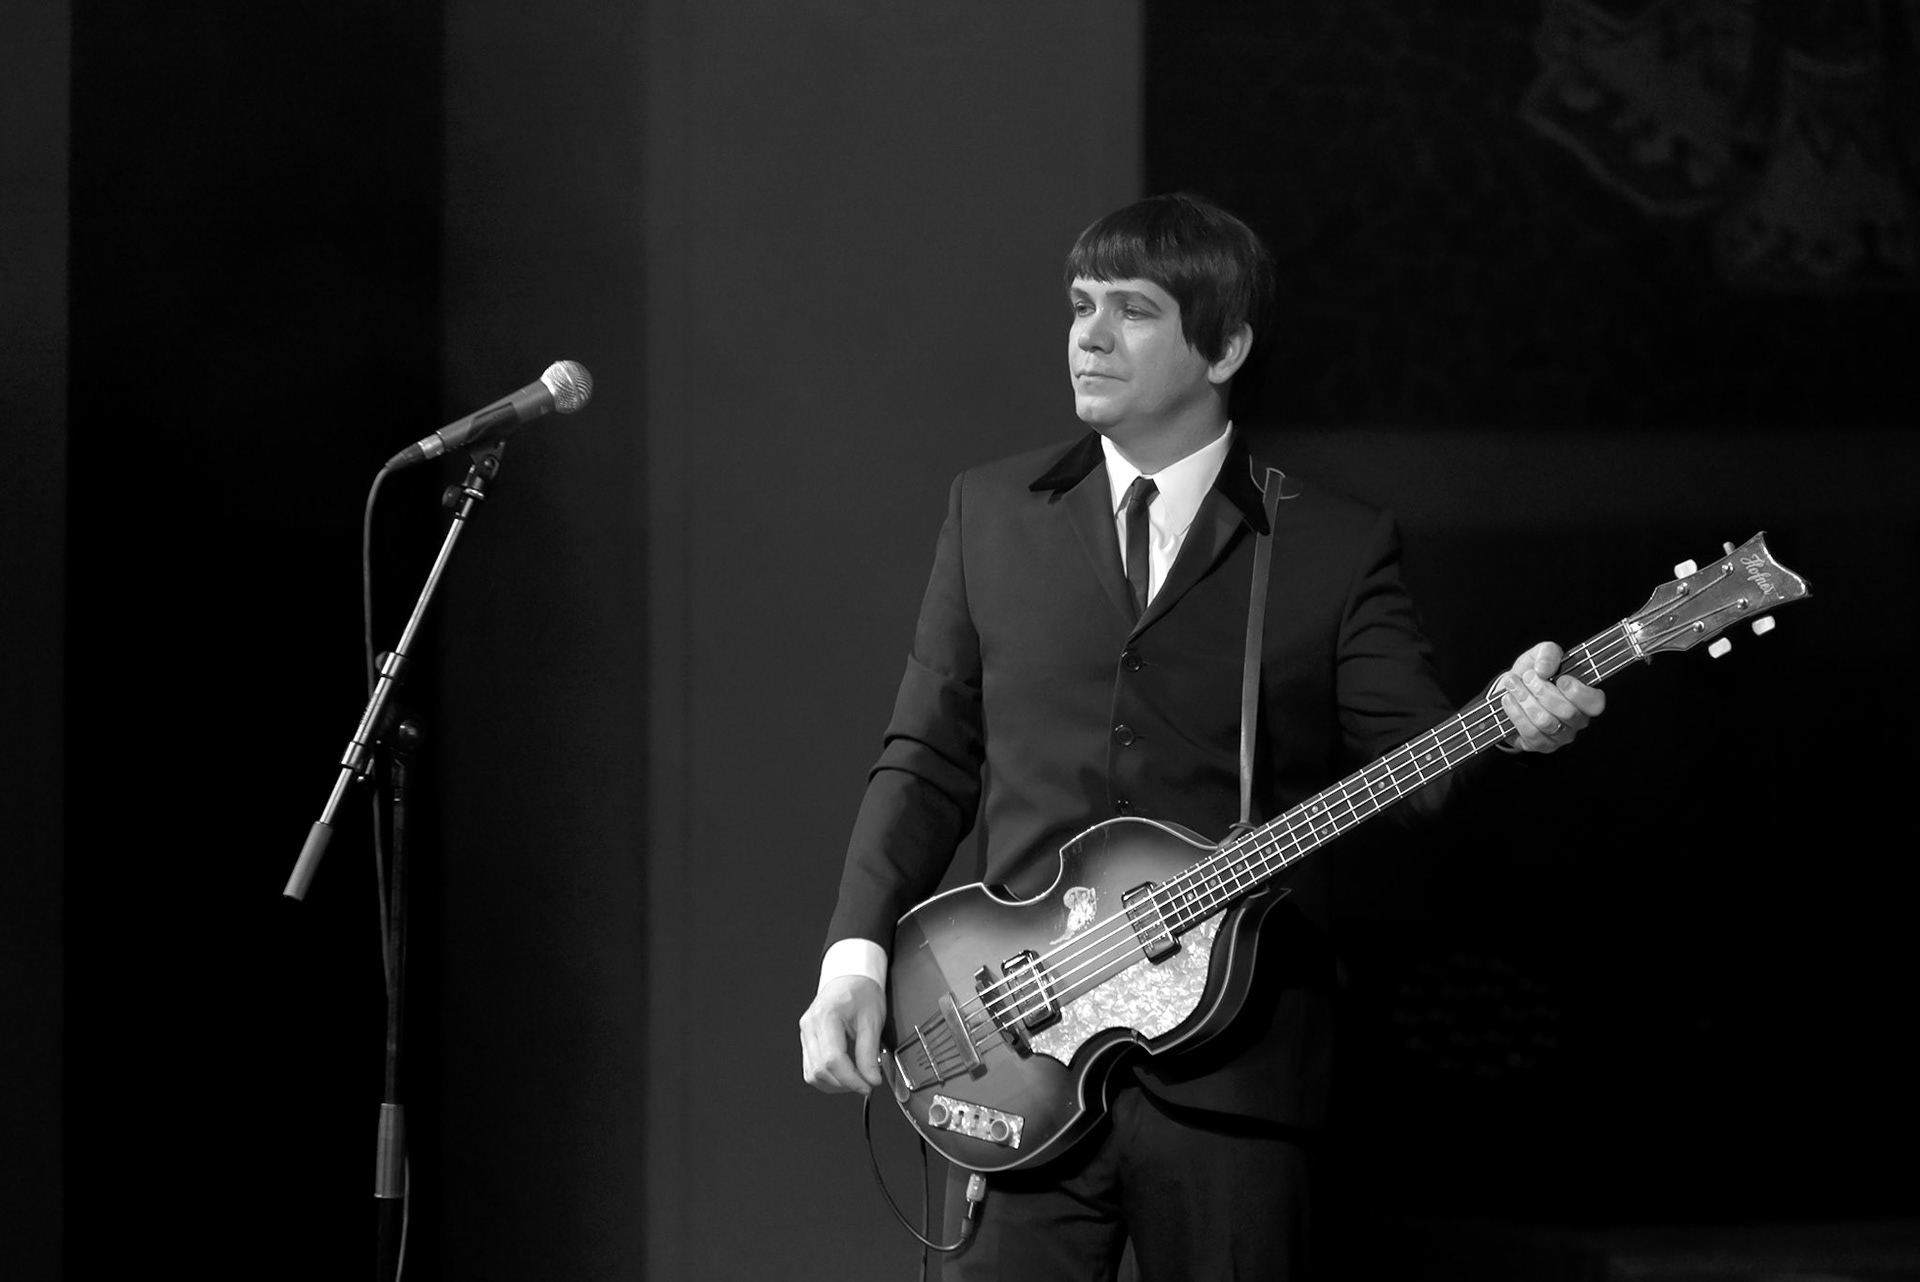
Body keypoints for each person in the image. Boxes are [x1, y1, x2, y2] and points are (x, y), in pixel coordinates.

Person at [797, 192, 1603, 1281]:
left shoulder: (1329, 542)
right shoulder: (990, 512)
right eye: (1080, 305)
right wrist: (855, 953)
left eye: (1131, 311)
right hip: (1012, 1048)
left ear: (1224, 345)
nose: (1087, 335)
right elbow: (928, 754)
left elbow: (1417, 770)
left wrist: (1512, 724)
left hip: (1239, 1072)